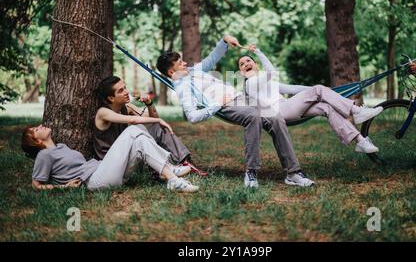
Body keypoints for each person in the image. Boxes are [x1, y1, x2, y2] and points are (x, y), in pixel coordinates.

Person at [156, 35, 315, 188]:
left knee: (275, 117)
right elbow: (192, 117)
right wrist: (217, 104)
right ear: (171, 72)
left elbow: (212, 58)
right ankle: (251, 172)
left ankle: (293, 173)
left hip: (241, 97)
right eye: (180, 63)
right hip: (227, 106)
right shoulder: (183, 87)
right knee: (254, 117)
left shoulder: (193, 70)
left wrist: (224, 40)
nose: (185, 63)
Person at [237, 45, 383, 153]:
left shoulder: (267, 83)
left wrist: (326, 93)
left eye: (248, 60)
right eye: (242, 64)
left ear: (255, 65)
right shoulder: (250, 84)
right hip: (278, 112)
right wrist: (257, 52)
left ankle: (361, 141)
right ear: (242, 73)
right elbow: (271, 71)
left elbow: (293, 89)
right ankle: (357, 111)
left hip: (288, 107)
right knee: (318, 89)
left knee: (326, 107)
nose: (245, 64)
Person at [21, 124, 199, 192]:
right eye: (36, 129)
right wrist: (63, 187)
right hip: (94, 181)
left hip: (102, 171)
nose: (40, 125)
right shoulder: (44, 155)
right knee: (132, 131)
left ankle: (167, 173)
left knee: (140, 135)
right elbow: (36, 185)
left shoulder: (61, 147)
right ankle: (170, 173)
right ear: (36, 141)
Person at [94, 76, 208, 177]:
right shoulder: (103, 112)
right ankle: (165, 168)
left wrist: (149, 103)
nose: (126, 92)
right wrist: (159, 119)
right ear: (111, 98)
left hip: (126, 156)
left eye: (125, 87)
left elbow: (153, 119)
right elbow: (133, 120)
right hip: (112, 165)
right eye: (121, 90)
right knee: (137, 129)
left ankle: (185, 162)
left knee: (157, 128)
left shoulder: (126, 107)